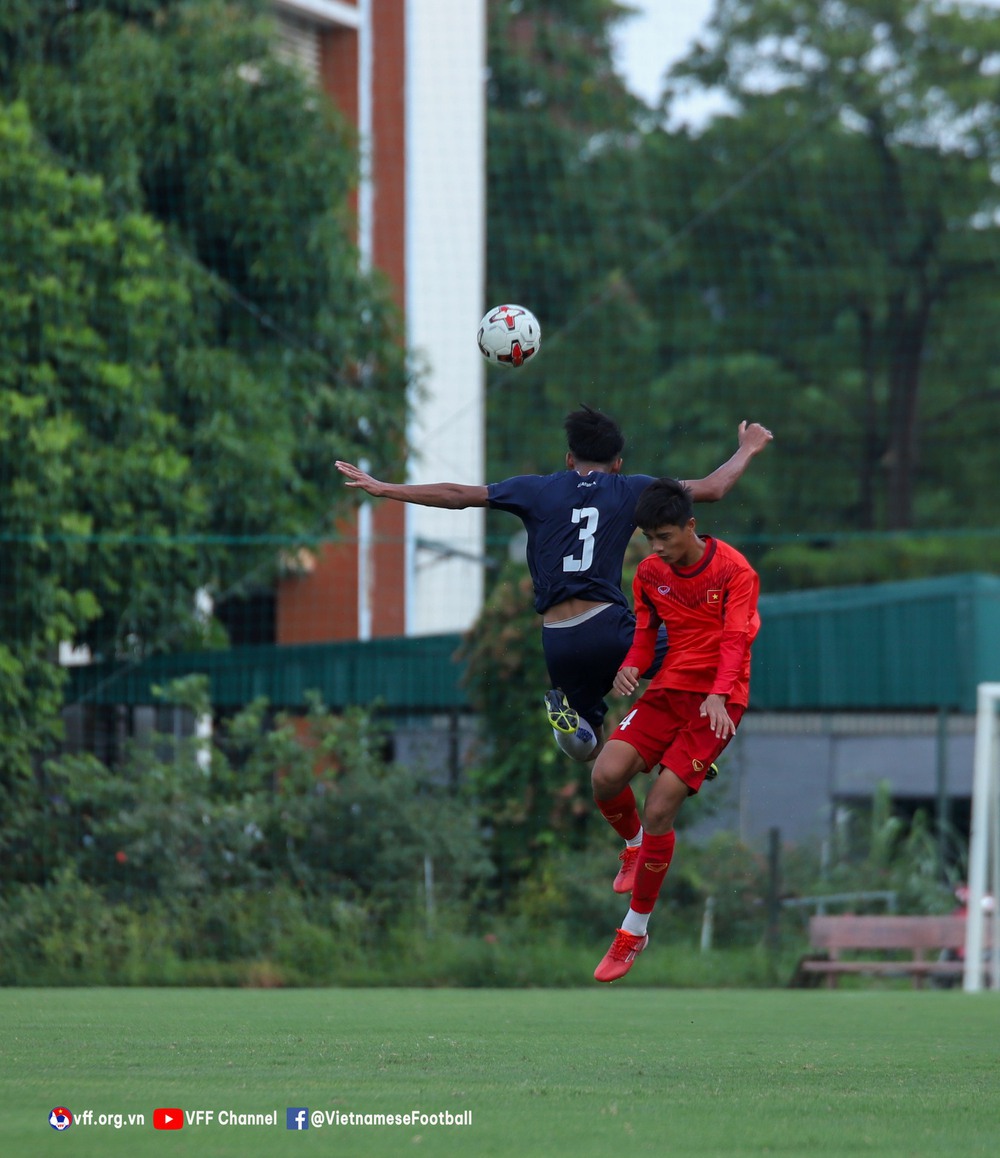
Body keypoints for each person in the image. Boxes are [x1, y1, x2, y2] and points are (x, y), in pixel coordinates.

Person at [335, 408, 771, 763]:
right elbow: (713, 488)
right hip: (609, 625)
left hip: (557, 638)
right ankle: (690, 745)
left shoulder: (535, 490)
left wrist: (386, 488)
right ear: (617, 464)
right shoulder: (630, 489)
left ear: (569, 459)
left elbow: (457, 494)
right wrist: (747, 448)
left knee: (591, 747)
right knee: (708, 651)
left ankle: (573, 725)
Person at [591, 477, 760, 982]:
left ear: (691, 525)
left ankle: (634, 929)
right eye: (649, 539)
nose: (657, 549)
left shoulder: (735, 571)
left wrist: (717, 692)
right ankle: (634, 845)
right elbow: (646, 635)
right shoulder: (649, 573)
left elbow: (735, 640)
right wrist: (631, 667)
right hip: (668, 691)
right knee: (605, 775)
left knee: (661, 803)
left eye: (665, 537)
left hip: (720, 703)